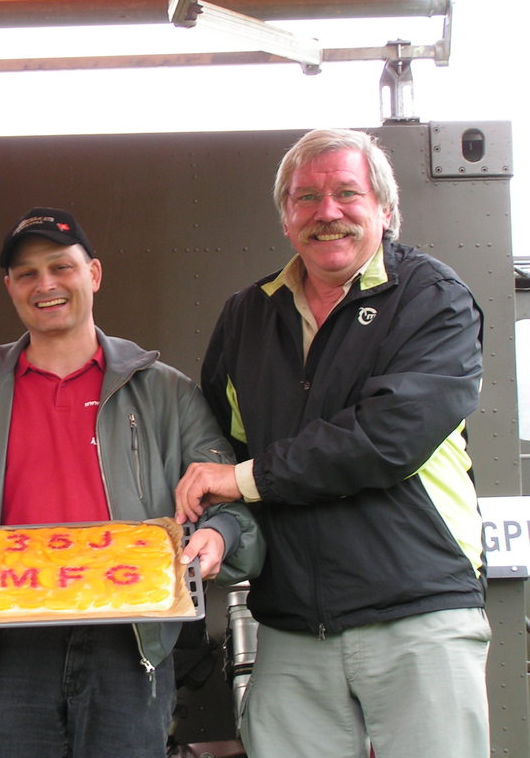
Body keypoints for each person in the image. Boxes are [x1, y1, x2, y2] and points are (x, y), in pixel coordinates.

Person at [0, 206, 263, 758]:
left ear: (93, 273)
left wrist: (220, 535)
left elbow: (224, 501)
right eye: (27, 273)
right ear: (10, 287)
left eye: (61, 267)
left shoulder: (167, 392)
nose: (45, 285)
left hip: (131, 647)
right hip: (7, 650)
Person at [176, 129, 490, 758]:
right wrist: (220, 522)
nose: (327, 212)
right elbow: (219, 447)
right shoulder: (248, 315)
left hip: (416, 610)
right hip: (293, 625)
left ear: (385, 210)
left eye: (348, 193)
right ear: (286, 219)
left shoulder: (432, 299)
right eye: (307, 198)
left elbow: (386, 437)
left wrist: (241, 480)